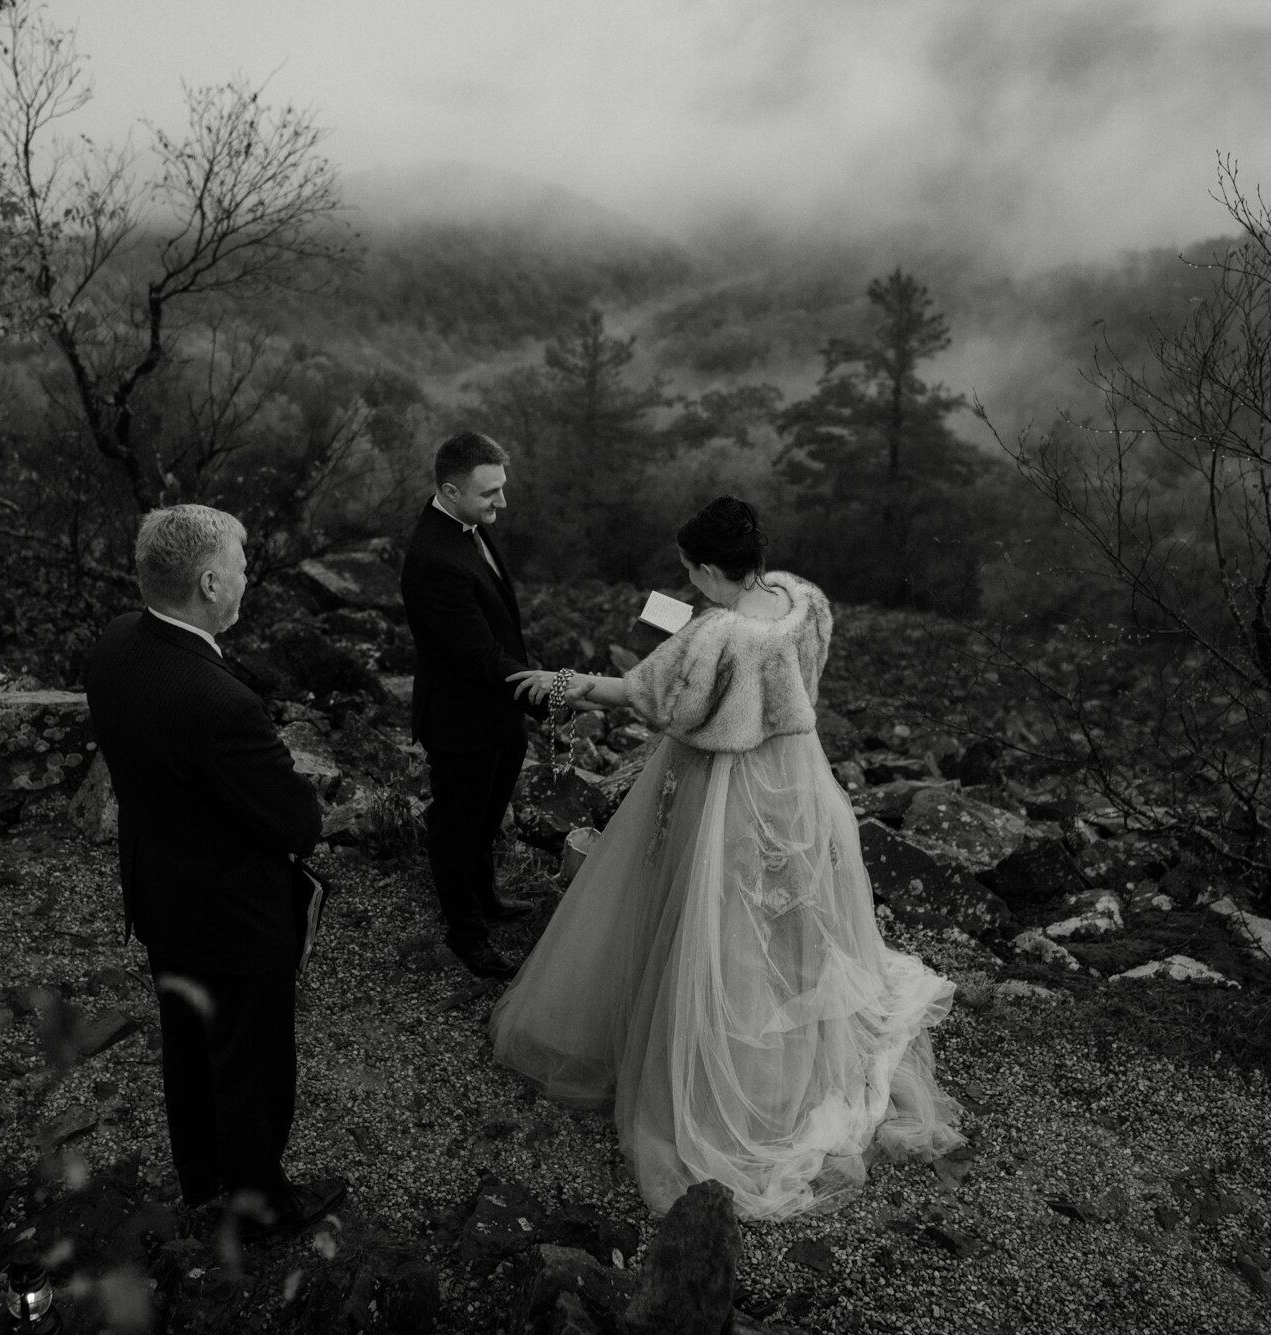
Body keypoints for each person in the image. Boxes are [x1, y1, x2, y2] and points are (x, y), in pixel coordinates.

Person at [492, 496, 965, 1220]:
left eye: (690, 571)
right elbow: (769, 664)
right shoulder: (804, 598)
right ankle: (786, 1049)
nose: (686, 583)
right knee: (783, 920)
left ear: (712, 569)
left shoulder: (717, 635)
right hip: (795, 774)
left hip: (725, 788)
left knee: (711, 919)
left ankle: (709, 1070)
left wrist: (560, 682)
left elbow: (645, 695)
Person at [84, 504, 346, 1239]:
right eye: (237, 567)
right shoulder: (223, 703)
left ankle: (202, 1171)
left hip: (158, 893)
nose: (243, 580)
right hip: (231, 914)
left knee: (189, 1042)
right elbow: (297, 822)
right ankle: (259, 1201)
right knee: (251, 1062)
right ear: (206, 582)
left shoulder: (115, 644)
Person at [399, 431, 550, 980]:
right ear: (451, 489)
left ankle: (485, 898)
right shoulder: (433, 557)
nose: (501, 503)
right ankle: (467, 934)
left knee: (487, 816)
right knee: (457, 827)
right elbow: (477, 654)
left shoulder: (468, 527)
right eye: (490, 493)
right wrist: (547, 692)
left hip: (499, 711)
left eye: (502, 489)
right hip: (462, 719)